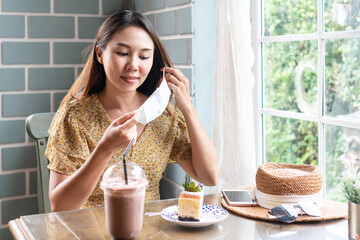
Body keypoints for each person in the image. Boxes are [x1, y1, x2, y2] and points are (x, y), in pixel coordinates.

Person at [45, 10, 219, 212]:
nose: (133, 65)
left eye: (144, 56)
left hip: (150, 230)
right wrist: (105, 148)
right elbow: (59, 206)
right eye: (122, 53)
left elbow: (209, 177)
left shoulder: (164, 117)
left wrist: (187, 108)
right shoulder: (74, 117)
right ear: (100, 54)